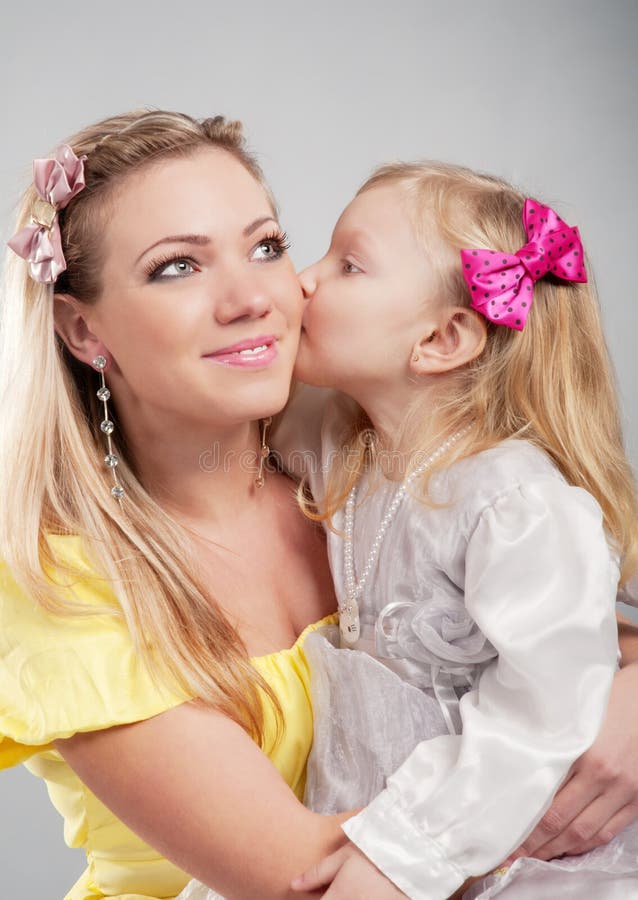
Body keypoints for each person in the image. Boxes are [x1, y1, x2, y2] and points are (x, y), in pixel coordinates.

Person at [0, 109, 352, 900]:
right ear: (83, 329)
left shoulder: (362, 476)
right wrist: (555, 752)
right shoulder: (54, 581)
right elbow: (305, 879)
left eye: (265, 247)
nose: (251, 298)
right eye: (176, 268)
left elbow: (584, 628)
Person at [273, 162, 638, 898]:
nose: (303, 281)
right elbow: (220, 415)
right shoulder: (342, 439)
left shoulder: (516, 503)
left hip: (518, 844)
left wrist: (402, 857)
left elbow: (543, 713)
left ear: (442, 339)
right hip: (361, 811)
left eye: (349, 265)